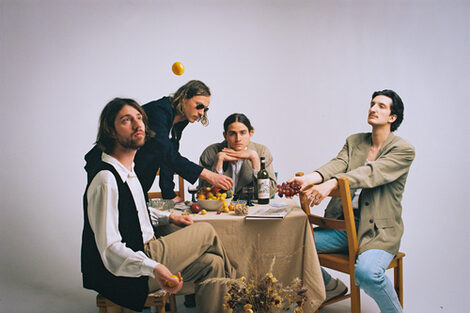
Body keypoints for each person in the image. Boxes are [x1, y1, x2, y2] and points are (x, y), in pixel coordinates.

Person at [81, 98, 236, 313]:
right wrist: (154, 268)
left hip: (145, 254)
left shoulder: (130, 172)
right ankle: (241, 289)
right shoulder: (106, 179)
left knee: (213, 264)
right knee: (207, 230)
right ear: (111, 132)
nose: (138, 125)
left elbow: (134, 211)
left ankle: (232, 292)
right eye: (127, 120)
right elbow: (110, 249)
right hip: (126, 274)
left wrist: (168, 217)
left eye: (140, 118)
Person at [289, 90, 415, 313]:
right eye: (372, 104)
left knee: (367, 274)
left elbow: (372, 172)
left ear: (392, 118)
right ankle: (331, 286)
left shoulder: (403, 150)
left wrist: (333, 184)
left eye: (381, 106)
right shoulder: (355, 141)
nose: (373, 108)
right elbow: (338, 163)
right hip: (343, 228)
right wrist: (309, 178)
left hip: (378, 232)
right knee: (291, 246)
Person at [84, 80, 233, 202]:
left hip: (135, 170)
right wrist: (209, 175)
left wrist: (169, 194)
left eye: (205, 109)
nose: (201, 113)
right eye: (199, 106)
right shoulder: (159, 112)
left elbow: (169, 154)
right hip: (105, 165)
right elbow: (165, 151)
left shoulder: (181, 120)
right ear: (184, 97)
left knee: (134, 216)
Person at [199, 113, 277, 199]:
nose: (238, 139)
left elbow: (271, 192)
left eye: (243, 133)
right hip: (220, 208)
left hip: (251, 208)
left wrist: (255, 159)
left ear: (250, 133)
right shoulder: (210, 152)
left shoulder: (262, 152)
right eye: (232, 134)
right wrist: (218, 163)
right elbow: (203, 192)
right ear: (225, 135)